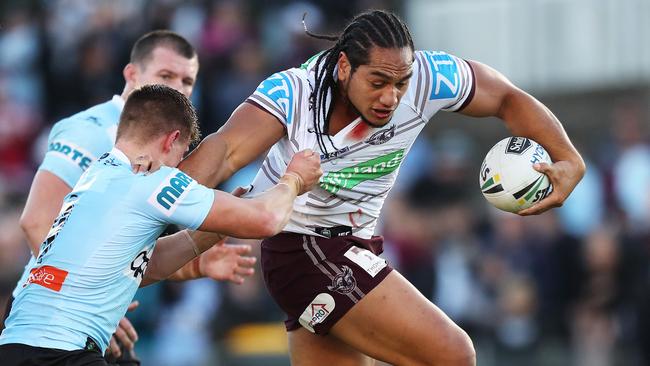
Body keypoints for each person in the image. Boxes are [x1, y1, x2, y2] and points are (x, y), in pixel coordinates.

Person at [178, 9, 586, 366]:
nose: (390, 97)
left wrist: (569, 158)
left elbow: (507, 98)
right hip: (303, 251)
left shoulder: (429, 77)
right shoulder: (294, 92)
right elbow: (225, 151)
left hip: (356, 247)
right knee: (453, 354)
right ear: (343, 68)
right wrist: (156, 201)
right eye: (377, 82)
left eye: (401, 84)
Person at [0, 84, 323, 365]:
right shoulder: (150, 180)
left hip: (16, 346)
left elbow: (143, 268)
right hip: (63, 352)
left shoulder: (94, 179)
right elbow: (267, 219)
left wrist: (211, 233)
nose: (179, 168)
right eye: (182, 155)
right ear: (172, 141)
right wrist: (294, 179)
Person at [5, 30, 253, 361]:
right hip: (53, 327)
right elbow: (37, 221)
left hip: (92, 325)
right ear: (132, 74)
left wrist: (193, 265)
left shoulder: (165, 143)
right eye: (166, 75)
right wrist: (83, 305)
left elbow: (125, 254)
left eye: (187, 80)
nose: (178, 87)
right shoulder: (92, 130)